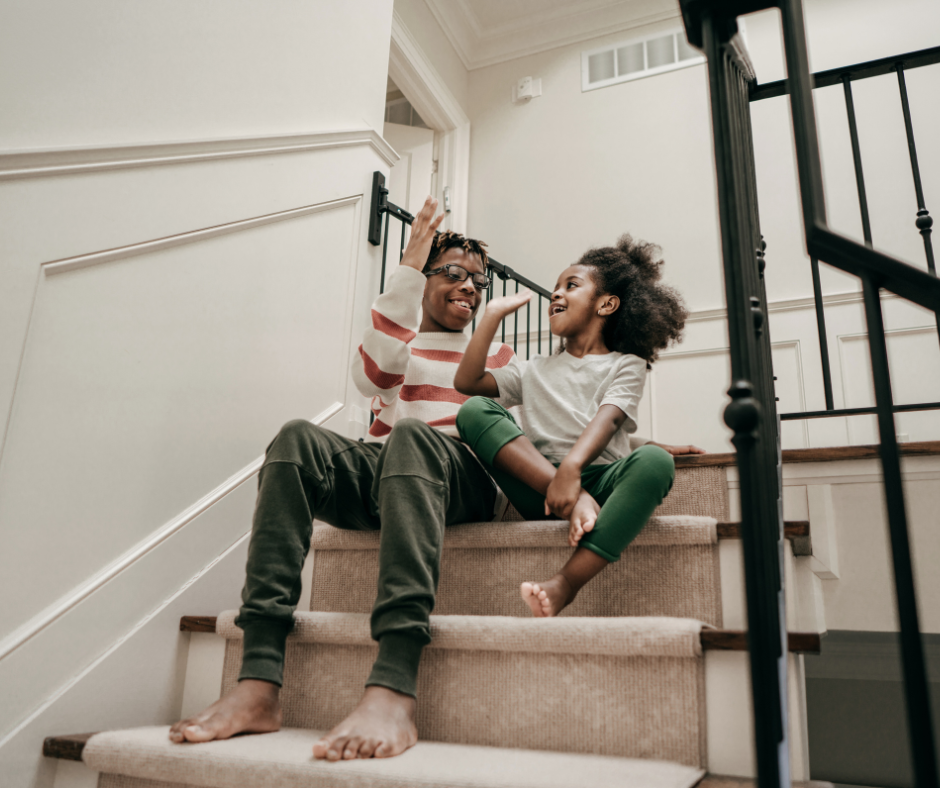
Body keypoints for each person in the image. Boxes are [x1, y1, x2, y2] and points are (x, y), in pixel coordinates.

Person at [169, 198, 516, 760]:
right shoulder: (396, 345)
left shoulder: (496, 353)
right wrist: (410, 256)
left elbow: (532, 435)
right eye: (452, 273)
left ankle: (394, 684)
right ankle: (257, 681)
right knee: (295, 439)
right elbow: (375, 373)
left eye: (478, 279)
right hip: (389, 474)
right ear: (422, 279)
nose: (469, 287)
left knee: (411, 439)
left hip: (462, 479)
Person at [454, 234, 702, 618]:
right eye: (554, 287)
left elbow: (610, 417)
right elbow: (467, 383)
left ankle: (565, 583)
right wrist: (490, 316)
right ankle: (575, 504)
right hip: (541, 489)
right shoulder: (532, 368)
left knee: (655, 462)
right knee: (474, 410)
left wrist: (574, 471)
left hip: (600, 482)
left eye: (570, 285)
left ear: (606, 303)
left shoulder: (626, 364)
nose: (556, 294)